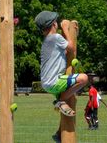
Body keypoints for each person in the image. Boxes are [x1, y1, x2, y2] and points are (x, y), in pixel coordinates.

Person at [35, 11, 88, 142]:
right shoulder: (55, 37)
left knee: (70, 102)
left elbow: (65, 51)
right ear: (54, 24)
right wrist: (65, 28)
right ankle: (60, 100)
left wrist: (73, 34)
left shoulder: (48, 41)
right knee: (83, 78)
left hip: (47, 83)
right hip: (55, 81)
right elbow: (71, 48)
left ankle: (59, 134)